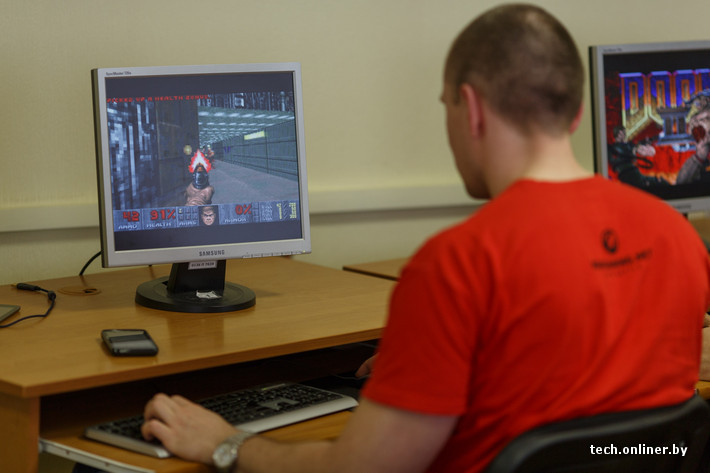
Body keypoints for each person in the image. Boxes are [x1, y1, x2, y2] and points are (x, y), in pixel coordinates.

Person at [138, 4, 710, 473]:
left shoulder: (459, 263)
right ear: (576, 113)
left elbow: (361, 468)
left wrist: (227, 444)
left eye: (446, 106)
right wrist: (424, 364)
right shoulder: (677, 237)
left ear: (471, 108)